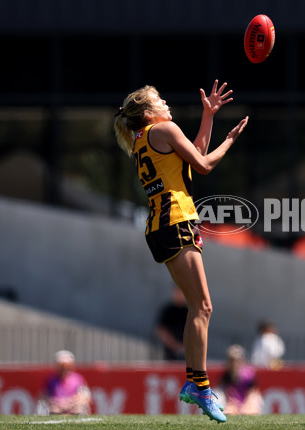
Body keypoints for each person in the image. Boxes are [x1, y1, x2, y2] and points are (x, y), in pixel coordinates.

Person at [114, 81, 248, 423]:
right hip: (176, 221)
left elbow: (194, 156)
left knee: (198, 306)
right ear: (148, 112)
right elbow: (204, 165)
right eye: (160, 100)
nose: (166, 103)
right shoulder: (164, 128)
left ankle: (196, 382)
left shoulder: (146, 138)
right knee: (203, 306)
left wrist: (207, 116)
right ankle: (198, 385)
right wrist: (230, 140)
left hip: (161, 226)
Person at [40, 350, 92, 415]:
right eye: (62, 366)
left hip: (73, 407)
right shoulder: (50, 380)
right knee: (54, 409)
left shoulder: (78, 379)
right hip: (56, 407)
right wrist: (55, 401)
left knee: (78, 408)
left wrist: (71, 402)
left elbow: (86, 396)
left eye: (67, 366)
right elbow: (42, 396)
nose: (64, 369)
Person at [219, 344, 263, 415]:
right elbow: (225, 395)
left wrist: (246, 405)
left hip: (247, 402)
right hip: (232, 404)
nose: (235, 363)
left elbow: (253, 392)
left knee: (251, 408)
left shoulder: (249, 374)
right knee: (228, 410)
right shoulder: (225, 375)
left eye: (237, 360)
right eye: (232, 360)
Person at [155, 287, 189, 361]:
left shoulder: (189, 311)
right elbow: (160, 330)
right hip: (171, 353)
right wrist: (174, 345)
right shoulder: (168, 310)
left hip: (187, 353)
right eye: (177, 292)